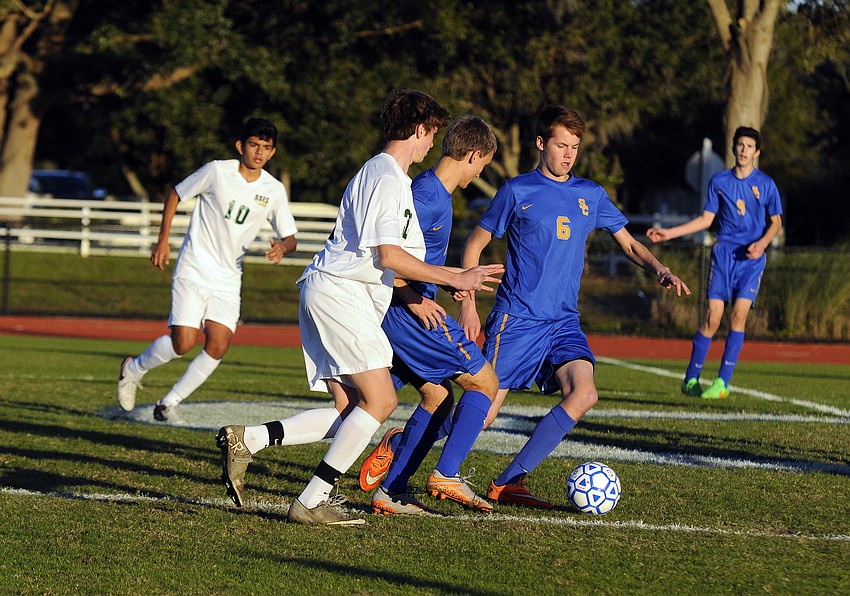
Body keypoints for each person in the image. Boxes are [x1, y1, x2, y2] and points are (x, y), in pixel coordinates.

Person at [216, 90, 504, 525]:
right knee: (382, 399)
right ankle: (313, 500)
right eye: (431, 133)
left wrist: (439, 280)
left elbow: (398, 256)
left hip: (333, 292)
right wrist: (454, 278)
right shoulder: (387, 177)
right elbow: (389, 255)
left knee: (350, 409)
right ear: (419, 129)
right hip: (340, 293)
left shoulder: (392, 178)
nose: (432, 146)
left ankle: (249, 439)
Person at [458, 105, 690, 508]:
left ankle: (507, 482)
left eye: (575, 147)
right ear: (540, 143)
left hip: (563, 322)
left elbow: (629, 242)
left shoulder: (591, 194)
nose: (568, 154)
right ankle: (405, 444)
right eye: (561, 145)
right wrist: (469, 305)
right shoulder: (517, 191)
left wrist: (660, 268)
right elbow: (474, 245)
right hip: (518, 318)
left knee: (583, 393)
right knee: (485, 410)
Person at [357, 115, 499, 516]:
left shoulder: (437, 193)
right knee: (486, 381)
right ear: (473, 155)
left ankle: (393, 490)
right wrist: (415, 299)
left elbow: (418, 260)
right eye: (484, 163)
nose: (481, 170)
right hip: (409, 315)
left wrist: (453, 280)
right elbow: (388, 259)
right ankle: (446, 474)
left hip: (409, 310)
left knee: (436, 396)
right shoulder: (426, 197)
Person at [116, 117, 298, 422]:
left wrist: (283, 247)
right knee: (183, 343)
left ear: (273, 152)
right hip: (194, 267)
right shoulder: (217, 171)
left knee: (218, 344)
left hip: (229, 277)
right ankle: (133, 369)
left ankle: (168, 403)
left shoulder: (274, 190)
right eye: (254, 144)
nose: (259, 152)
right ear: (241, 146)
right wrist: (163, 240)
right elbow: (175, 194)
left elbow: (291, 237)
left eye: (266, 148)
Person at [647, 126, 783, 400]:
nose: (744, 150)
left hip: (751, 260)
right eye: (740, 145)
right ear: (733, 148)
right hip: (723, 256)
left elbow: (776, 222)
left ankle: (723, 382)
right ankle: (691, 379)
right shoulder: (719, 182)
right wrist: (669, 233)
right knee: (712, 318)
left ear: (757, 152)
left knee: (738, 316)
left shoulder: (766, 184)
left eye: (749, 146)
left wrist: (763, 243)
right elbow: (705, 221)